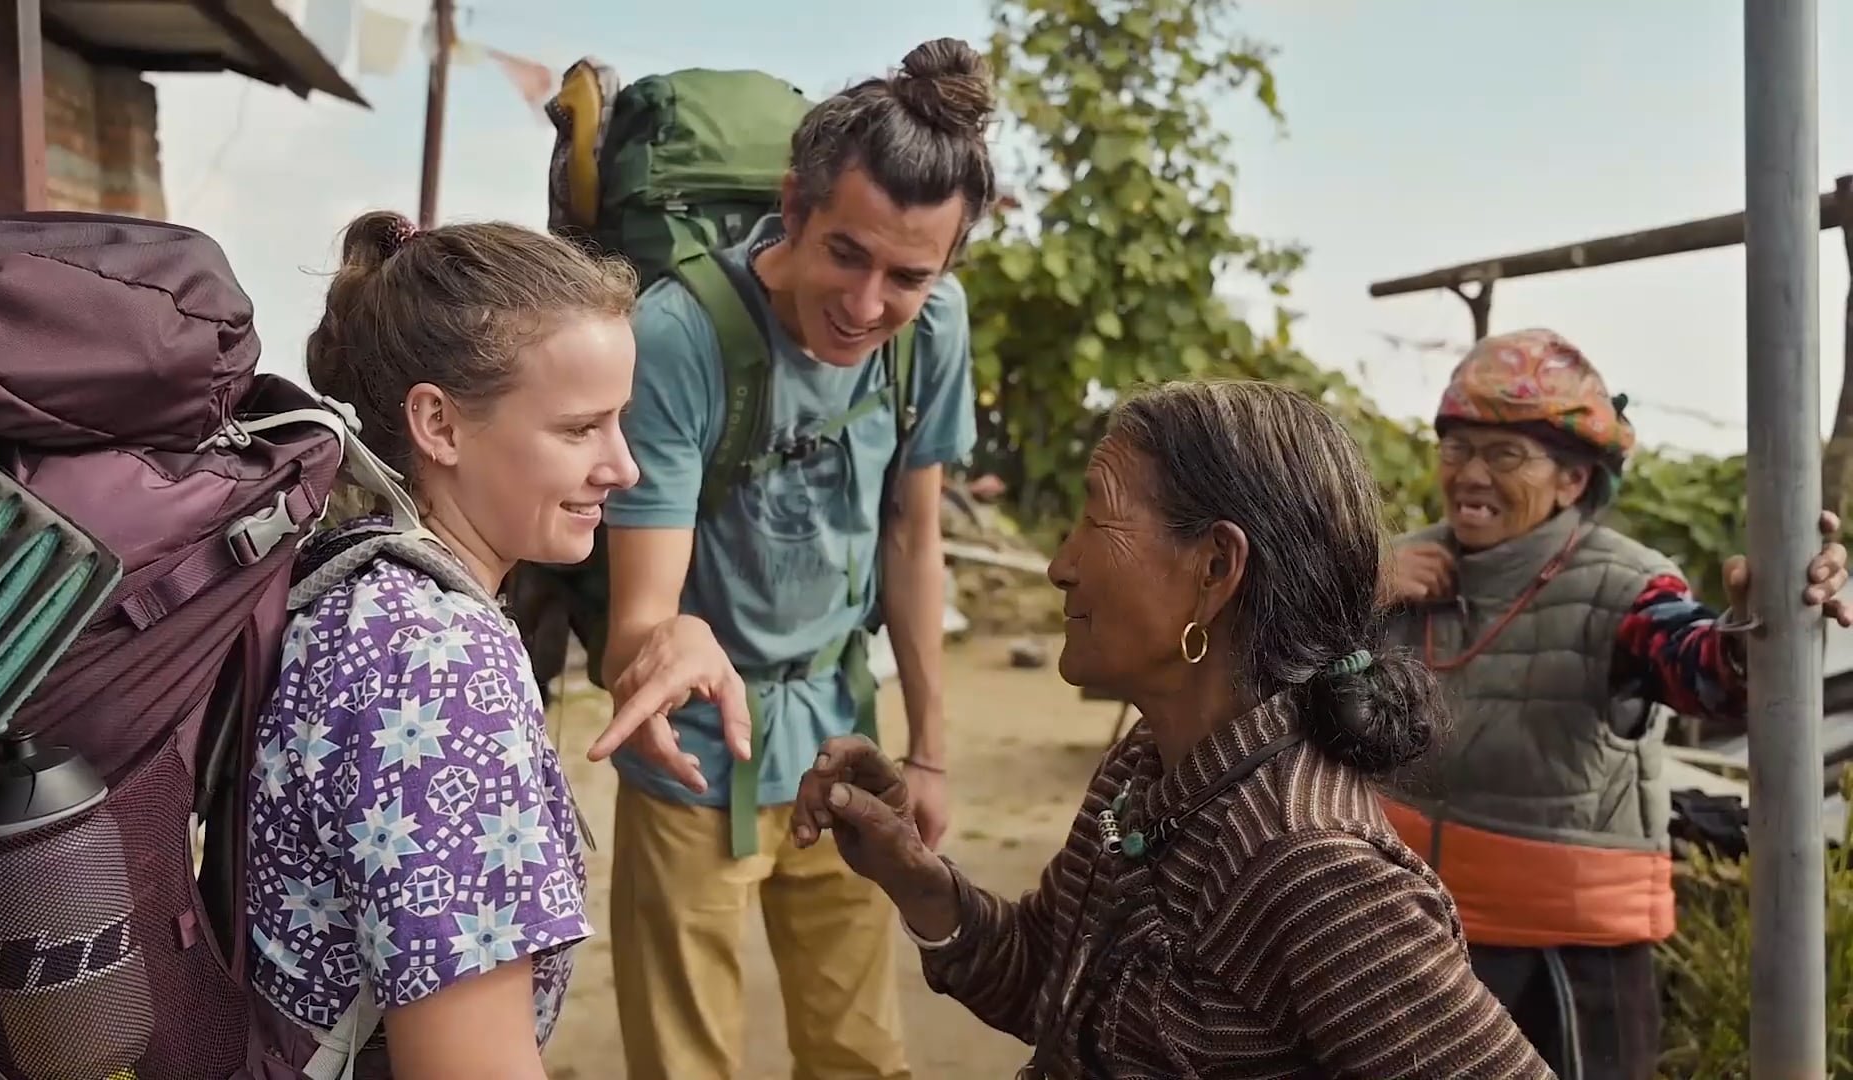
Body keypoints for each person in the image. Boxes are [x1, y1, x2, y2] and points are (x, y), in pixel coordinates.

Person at [793, 379, 1555, 1079]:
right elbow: (1047, 984)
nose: (1061, 565)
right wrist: (916, 877)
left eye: (1096, 517)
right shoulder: (1146, 769)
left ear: (1215, 568)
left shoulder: (1314, 871)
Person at [245, 211, 748, 1080]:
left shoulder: (350, 578)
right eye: (579, 428)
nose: (624, 468)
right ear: (439, 425)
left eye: (620, 422)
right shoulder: (435, 664)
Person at [586, 38, 994, 1080]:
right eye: (846, 255)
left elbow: (912, 533)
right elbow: (642, 617)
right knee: (687, 1063)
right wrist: (666, 643)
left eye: (909, 275)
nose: (867, 306)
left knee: (861, 1051)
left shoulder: (931, 333)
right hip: (693, 758)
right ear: (795, 208)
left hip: (842, 742)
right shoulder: (680, 337)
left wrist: (931, 748)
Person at [1380, 328, 1850, 1080]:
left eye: (1504, 455)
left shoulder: (1626, 585)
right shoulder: (1396, 568)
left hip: (1565, 964)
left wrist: (1759, 626)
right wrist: (1355, 586)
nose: (1470, 473)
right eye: (1456, 448)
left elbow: (1703, 671)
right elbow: (1278, 670)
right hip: (1410, 936)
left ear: (1572, 480)